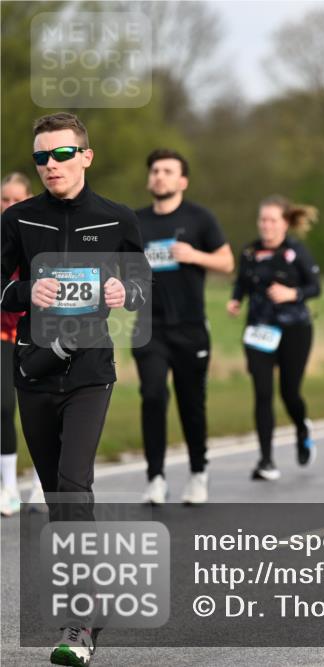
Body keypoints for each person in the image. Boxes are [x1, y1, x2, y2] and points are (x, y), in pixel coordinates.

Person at [1, 112, 151, 666]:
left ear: (86, 156)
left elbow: (140, 284)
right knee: (55, 497)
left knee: (71, 486)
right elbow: (0, 287)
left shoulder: (116, 218)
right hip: (34, 372)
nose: (50, 166)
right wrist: (23, 293)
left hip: (90, 372)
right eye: (41, 157)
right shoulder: (19, 219)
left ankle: (81, 621)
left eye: (61, 154)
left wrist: (121, 289)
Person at [133, 149, 234, 505]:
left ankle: (197, 472)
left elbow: (227, 262)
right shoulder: (135, 221)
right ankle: (156, 477)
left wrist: (195, 256)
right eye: (155, 170)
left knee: (192, 403)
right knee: (153, 396)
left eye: (167, 171)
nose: (159, 176)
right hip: (149, 326)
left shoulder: (199, 218)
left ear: (182, 181)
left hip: (190, 327)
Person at [228, 196, 321, 481]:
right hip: (259, 331)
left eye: (272, 220)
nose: (266, 225)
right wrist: (235, 301)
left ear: (284, 223)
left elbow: (316, 286)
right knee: (262, 393)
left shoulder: (296, 251)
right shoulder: (249, 252)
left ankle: (302, 429)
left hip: (294, 329)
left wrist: (292, 294)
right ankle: (266, 460)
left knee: (289, 392)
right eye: (262, 220)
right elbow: (241, 282)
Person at [0, 172, 45, 516]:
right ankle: (9, 487)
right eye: (5, 199)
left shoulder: (40, 235)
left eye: (17, 199)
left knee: (43, 410)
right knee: (3, 407)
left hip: (36, 335)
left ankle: (42, 485)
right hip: (2, 336)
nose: (10, 205)